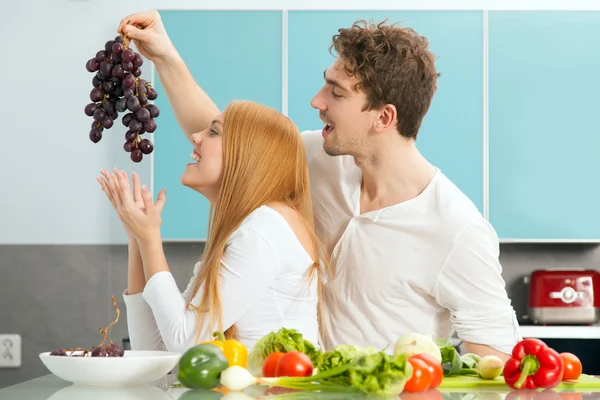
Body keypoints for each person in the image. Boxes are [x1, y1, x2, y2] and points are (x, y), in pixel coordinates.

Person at [117, 11, 522, 361]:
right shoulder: (320, 157)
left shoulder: (457, 229)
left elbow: (492, 357)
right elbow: (232, 147)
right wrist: (165, 56)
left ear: (383, 118)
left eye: (336, 92)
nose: (316, 100)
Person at [97, 100, 324, 354]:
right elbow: (154, 355)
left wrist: (149, 239)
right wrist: (137, 239)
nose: (195, 136)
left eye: (213, 132)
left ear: (249, 154)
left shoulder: (264, 230)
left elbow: (184, 342)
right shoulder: (250, 229)